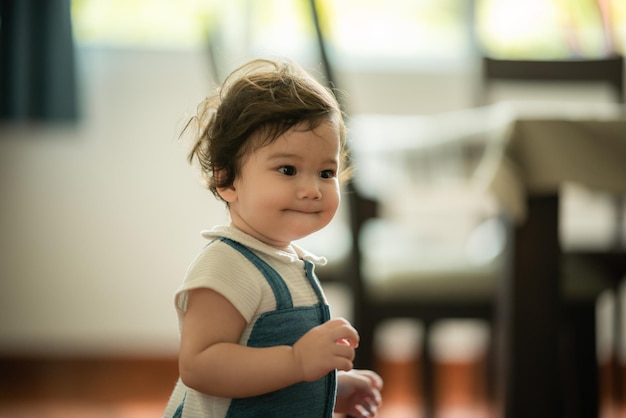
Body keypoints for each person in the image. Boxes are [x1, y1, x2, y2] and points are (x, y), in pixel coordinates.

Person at [164, 58, 383, 418]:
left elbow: (268, 366)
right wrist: (298, 361)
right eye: (287, 170)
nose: (312, 189)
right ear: (228, 181)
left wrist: (329, 384)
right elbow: (200, 366)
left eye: (326, 172)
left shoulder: (290, 264)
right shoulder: (226, 266)